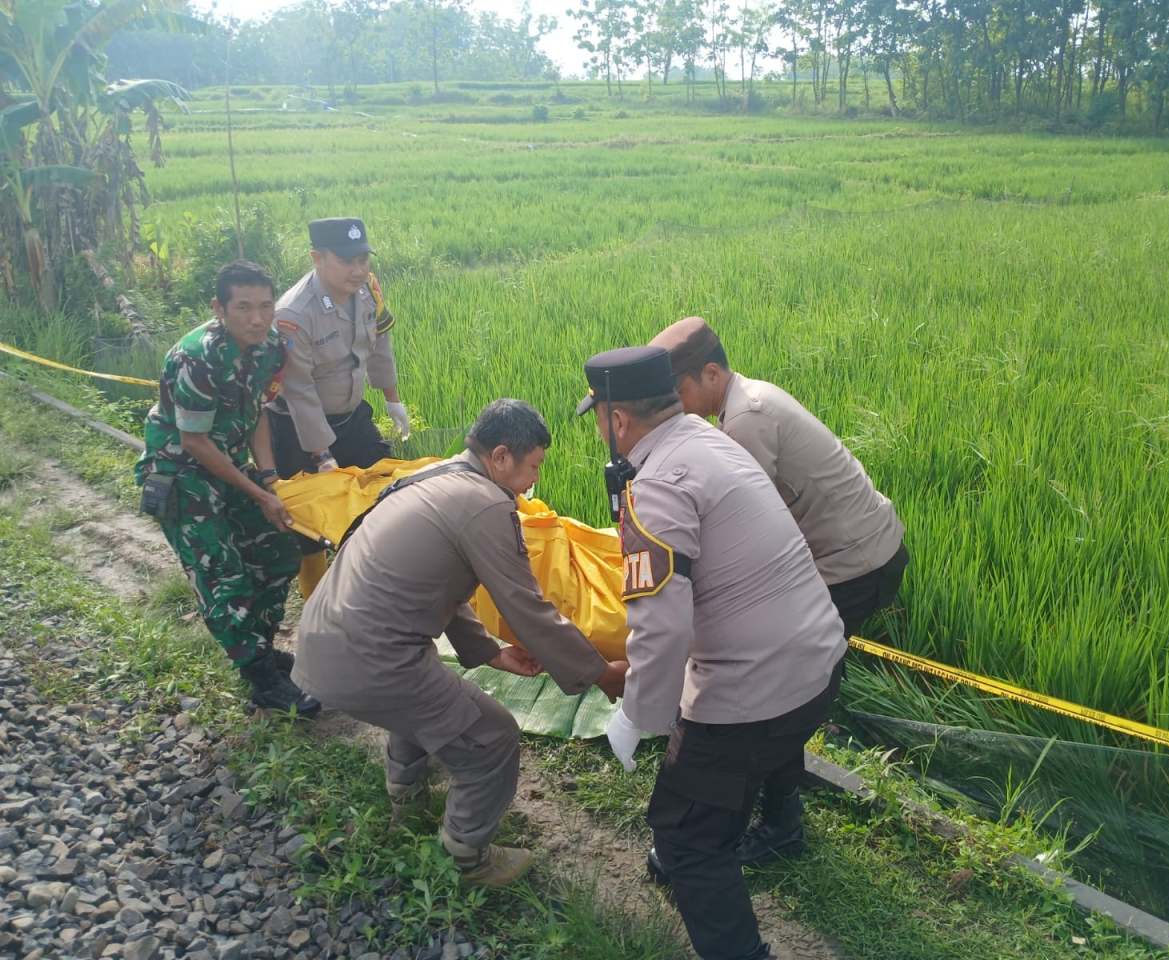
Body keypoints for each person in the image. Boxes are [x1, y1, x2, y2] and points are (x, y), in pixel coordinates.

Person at [577, 346, 847, 960]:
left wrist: (636, 716)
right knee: (726, 776)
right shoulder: (712, 440)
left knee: (688, 836)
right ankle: (750, 822)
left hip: (757, 693)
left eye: (598, 416)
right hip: (820, 662)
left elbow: (663, 630)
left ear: (618, 420)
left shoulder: (659, 489)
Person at [293, 399, 629, 887]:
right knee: (492, 736)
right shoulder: (487, 503)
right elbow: (526, 607)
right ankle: (466, 858)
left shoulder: (430, 477)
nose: (535, 479)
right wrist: (600, 673)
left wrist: (491, 653)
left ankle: (406, 806)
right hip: (373, 660)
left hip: (324, 643)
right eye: (532, 466)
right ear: (499, 456)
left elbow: (440, 587)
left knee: (426, 698)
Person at [650, 315, 908, 866]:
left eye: (679, 390)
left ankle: (782, 821)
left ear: (712, 373)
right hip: (855, 553)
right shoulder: (745, 399)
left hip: (853, 564)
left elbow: (748, 533)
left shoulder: (745, 421)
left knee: (782, 680)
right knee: (789, 680)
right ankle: (782, 799)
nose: (672, 405)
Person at [135, 260, 319, 718]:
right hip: (181, 471)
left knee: (279, 554)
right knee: (222, 574)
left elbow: (257, 413)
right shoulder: (196, 357)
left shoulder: (271, 347)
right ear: (219, 308)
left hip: (229, 463)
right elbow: (194, 441)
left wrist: (269, 478)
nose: (257, 318)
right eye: (243, 308)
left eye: (265, 306)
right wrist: (258, 493)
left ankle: (259, 649)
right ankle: (262, 679)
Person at [267, 216, 412, 598]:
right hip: (298, 430)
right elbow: (298, 391)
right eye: (348, 261)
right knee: (310, 525)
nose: (359, 269)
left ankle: (370, 591)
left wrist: (392, 400)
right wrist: (322, 455)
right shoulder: (293, 315)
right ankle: (316, 602)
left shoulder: (369, 290)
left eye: (363, 259)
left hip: (351, 415)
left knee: (384, 489)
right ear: (317, 258)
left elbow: (380, 345)